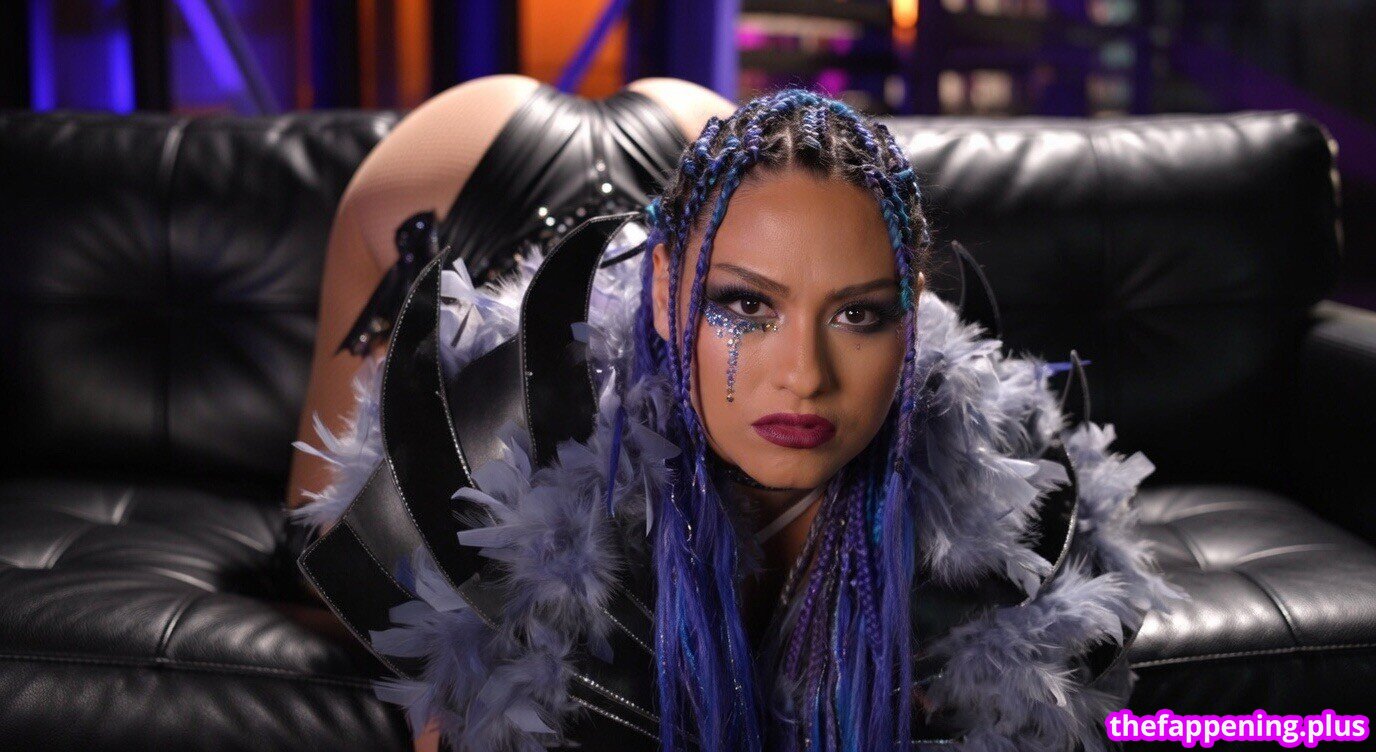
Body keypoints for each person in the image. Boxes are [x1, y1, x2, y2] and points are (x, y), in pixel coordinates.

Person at [290, 87, 1185, 752]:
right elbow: (448, 686)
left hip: (722, 177)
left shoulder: (989, 472)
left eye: (861, 314)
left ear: (913, 315)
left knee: (788, 239)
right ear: (667, 292)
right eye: (745, 308)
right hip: (469, 165)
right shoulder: (500, 442)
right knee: (313, 541)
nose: (805, 378)